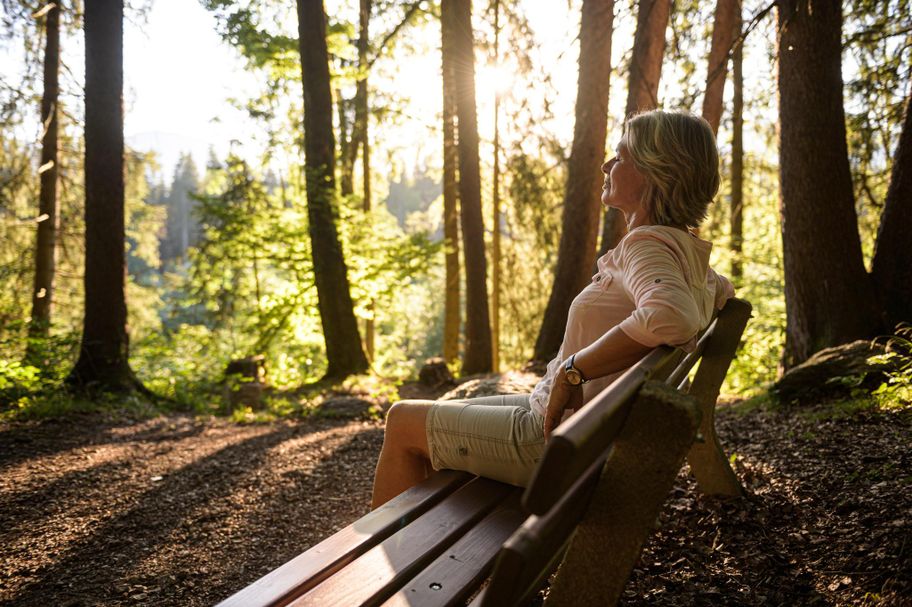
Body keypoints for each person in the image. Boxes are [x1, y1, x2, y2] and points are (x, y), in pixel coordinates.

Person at [371, 109, 735, 509]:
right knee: (437, 413)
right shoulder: (688, 255)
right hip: (579, 430)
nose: (607, 164)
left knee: (403, 420)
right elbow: (717, 295)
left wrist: (573, 369)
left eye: (621, 155)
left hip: (555, 441)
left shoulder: (646, 245)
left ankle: (374, 569)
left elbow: (671, 316)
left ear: (655, 171)